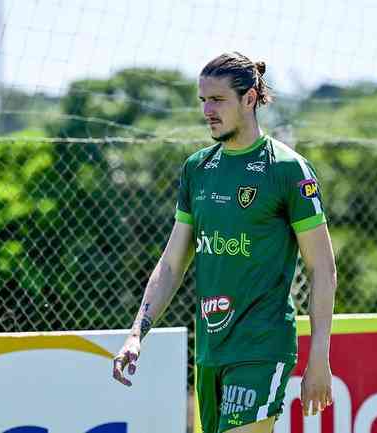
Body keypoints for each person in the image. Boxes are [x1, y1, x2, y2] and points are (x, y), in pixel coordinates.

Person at [112, 52, 337, 433]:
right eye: (203, 100)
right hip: (210, 350)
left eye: (217, 100)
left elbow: (323, 269)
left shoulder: (288, 170)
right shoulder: (197, 169)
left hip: (262, 346)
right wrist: (136, 334)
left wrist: (319, 357)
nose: (207, 110)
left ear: (249, 99)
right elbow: (171, 264)